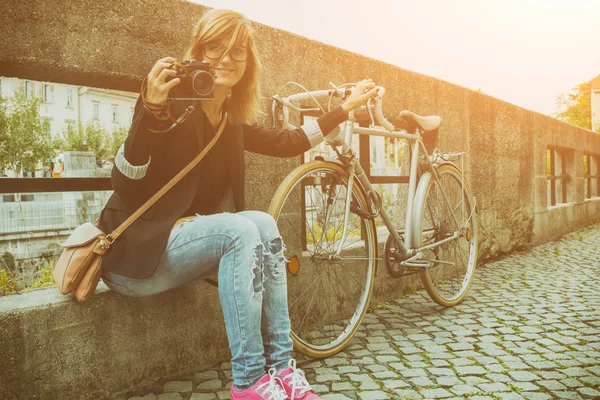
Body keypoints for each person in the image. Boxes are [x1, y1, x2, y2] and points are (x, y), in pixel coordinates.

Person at [98, 8, 380, 400]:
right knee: (240, 228)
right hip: (135, 260)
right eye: (214, 48)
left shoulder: (229, 121)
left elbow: (289, 141)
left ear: (248, 63)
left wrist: (343, 109)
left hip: (177, 251)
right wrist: (149, 110)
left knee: (263, 222)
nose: (226, 59)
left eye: (237, 51)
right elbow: (125, 184)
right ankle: (248, 382)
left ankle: (282, 370)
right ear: (196, 52)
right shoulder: (170, 107)